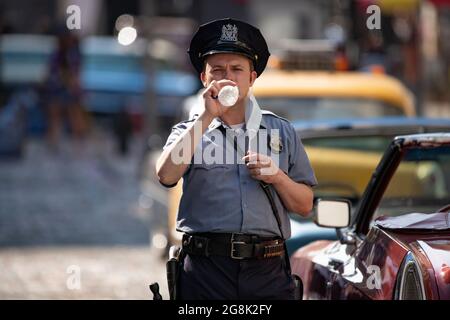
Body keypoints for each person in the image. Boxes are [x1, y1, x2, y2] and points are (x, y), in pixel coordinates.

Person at [156, 18, 317, 300]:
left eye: (236, 69)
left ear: (252, 77)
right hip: (206, 272)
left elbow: (304, 205)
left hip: (266, 272)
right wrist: (207, 116)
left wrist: (276, 176)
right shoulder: (189, 131)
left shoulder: (282, 131)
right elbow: (166, 175)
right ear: (204, 79)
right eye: (217, 70)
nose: (227, 77)